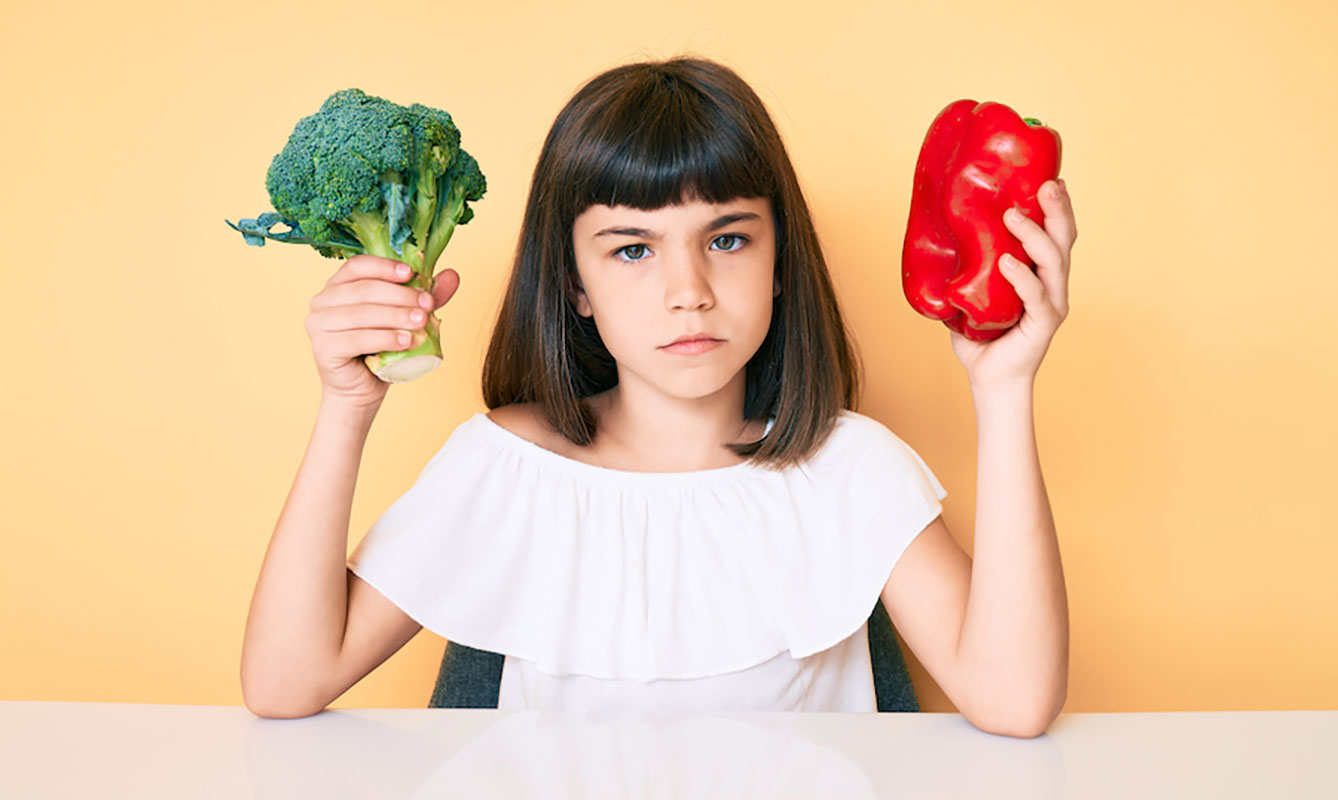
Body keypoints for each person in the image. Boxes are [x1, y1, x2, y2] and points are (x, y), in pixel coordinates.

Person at [240, 56, 1077, 738]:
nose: (689, 290)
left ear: (781, 261)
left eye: (728, 238)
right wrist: (347, 407)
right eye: (632, 249)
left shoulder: (848, 466)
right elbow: (286, 682)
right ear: (574, 284)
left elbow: (1013, 701)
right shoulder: (508, 468)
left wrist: (1002, 390)